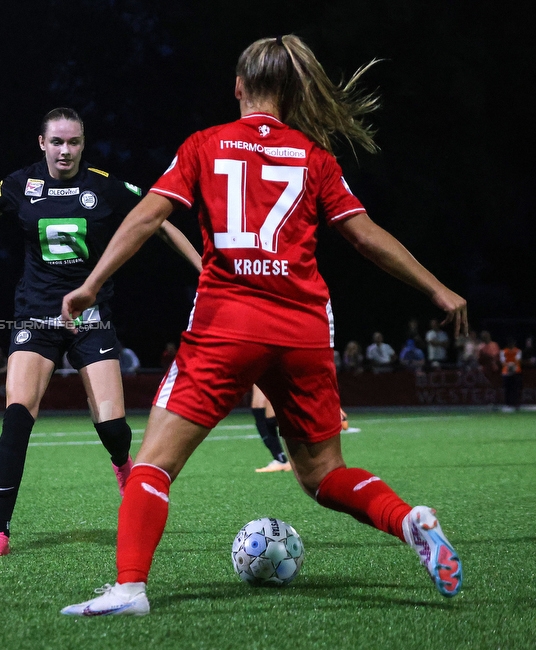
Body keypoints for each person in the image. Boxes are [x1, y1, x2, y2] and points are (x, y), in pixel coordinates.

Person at [59, 35, 466, 616]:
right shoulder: (314, 156)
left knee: (153, 465)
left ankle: (129, 588)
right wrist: (436, 288)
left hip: (227, 326)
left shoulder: (204, 145)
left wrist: (92, 281)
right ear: (294, 91)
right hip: (303, 333)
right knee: (324, 476)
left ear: (239, 87)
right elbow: (365, 235)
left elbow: (148, 215)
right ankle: (408, 521)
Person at [0, 107, 202, 558]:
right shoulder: (22, 184)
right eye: (57, 142)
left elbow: (159, 222)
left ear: (83, 144)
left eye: (73, 142)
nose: (65, 150)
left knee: (113, 427)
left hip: (90, 319)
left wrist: (207, 273)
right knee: (17, 418)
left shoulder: (104, 186)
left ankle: (123, 465)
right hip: (35, 318)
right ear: (42, 143)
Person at [500, 337, 523, 412]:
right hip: (506, 373)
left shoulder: (518, 351)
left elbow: (517, 360)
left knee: (516, 389)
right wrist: (508, 366)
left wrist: (512, 366)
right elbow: (502, 362)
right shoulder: (503, 351)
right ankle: (508, 404)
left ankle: (516, 404)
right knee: (507, 389)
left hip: (516, 372)